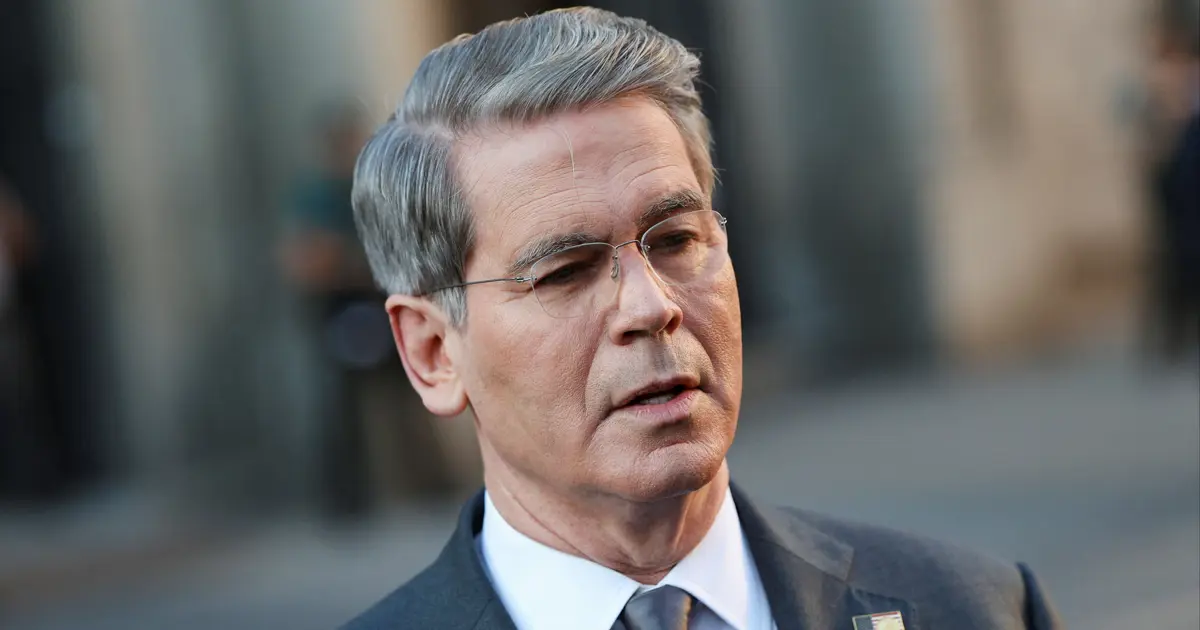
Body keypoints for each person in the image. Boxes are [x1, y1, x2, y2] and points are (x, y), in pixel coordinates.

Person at [342, 8, 1061, 629]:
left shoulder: (974, 608)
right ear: (433, 352)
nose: (651, 306)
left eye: (677, 240)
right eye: (565, 272)